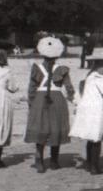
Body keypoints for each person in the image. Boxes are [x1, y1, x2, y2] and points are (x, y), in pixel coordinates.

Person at [25, 36, 76, 173]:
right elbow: (69, 88)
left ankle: (39, 159)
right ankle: (54, 161)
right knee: (56, 127)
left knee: (41, 127)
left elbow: (31, 89)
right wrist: (74, 99)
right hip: (57, 99)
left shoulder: (37, 68)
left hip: (40, 99)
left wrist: (31, 104)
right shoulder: (62, 69)